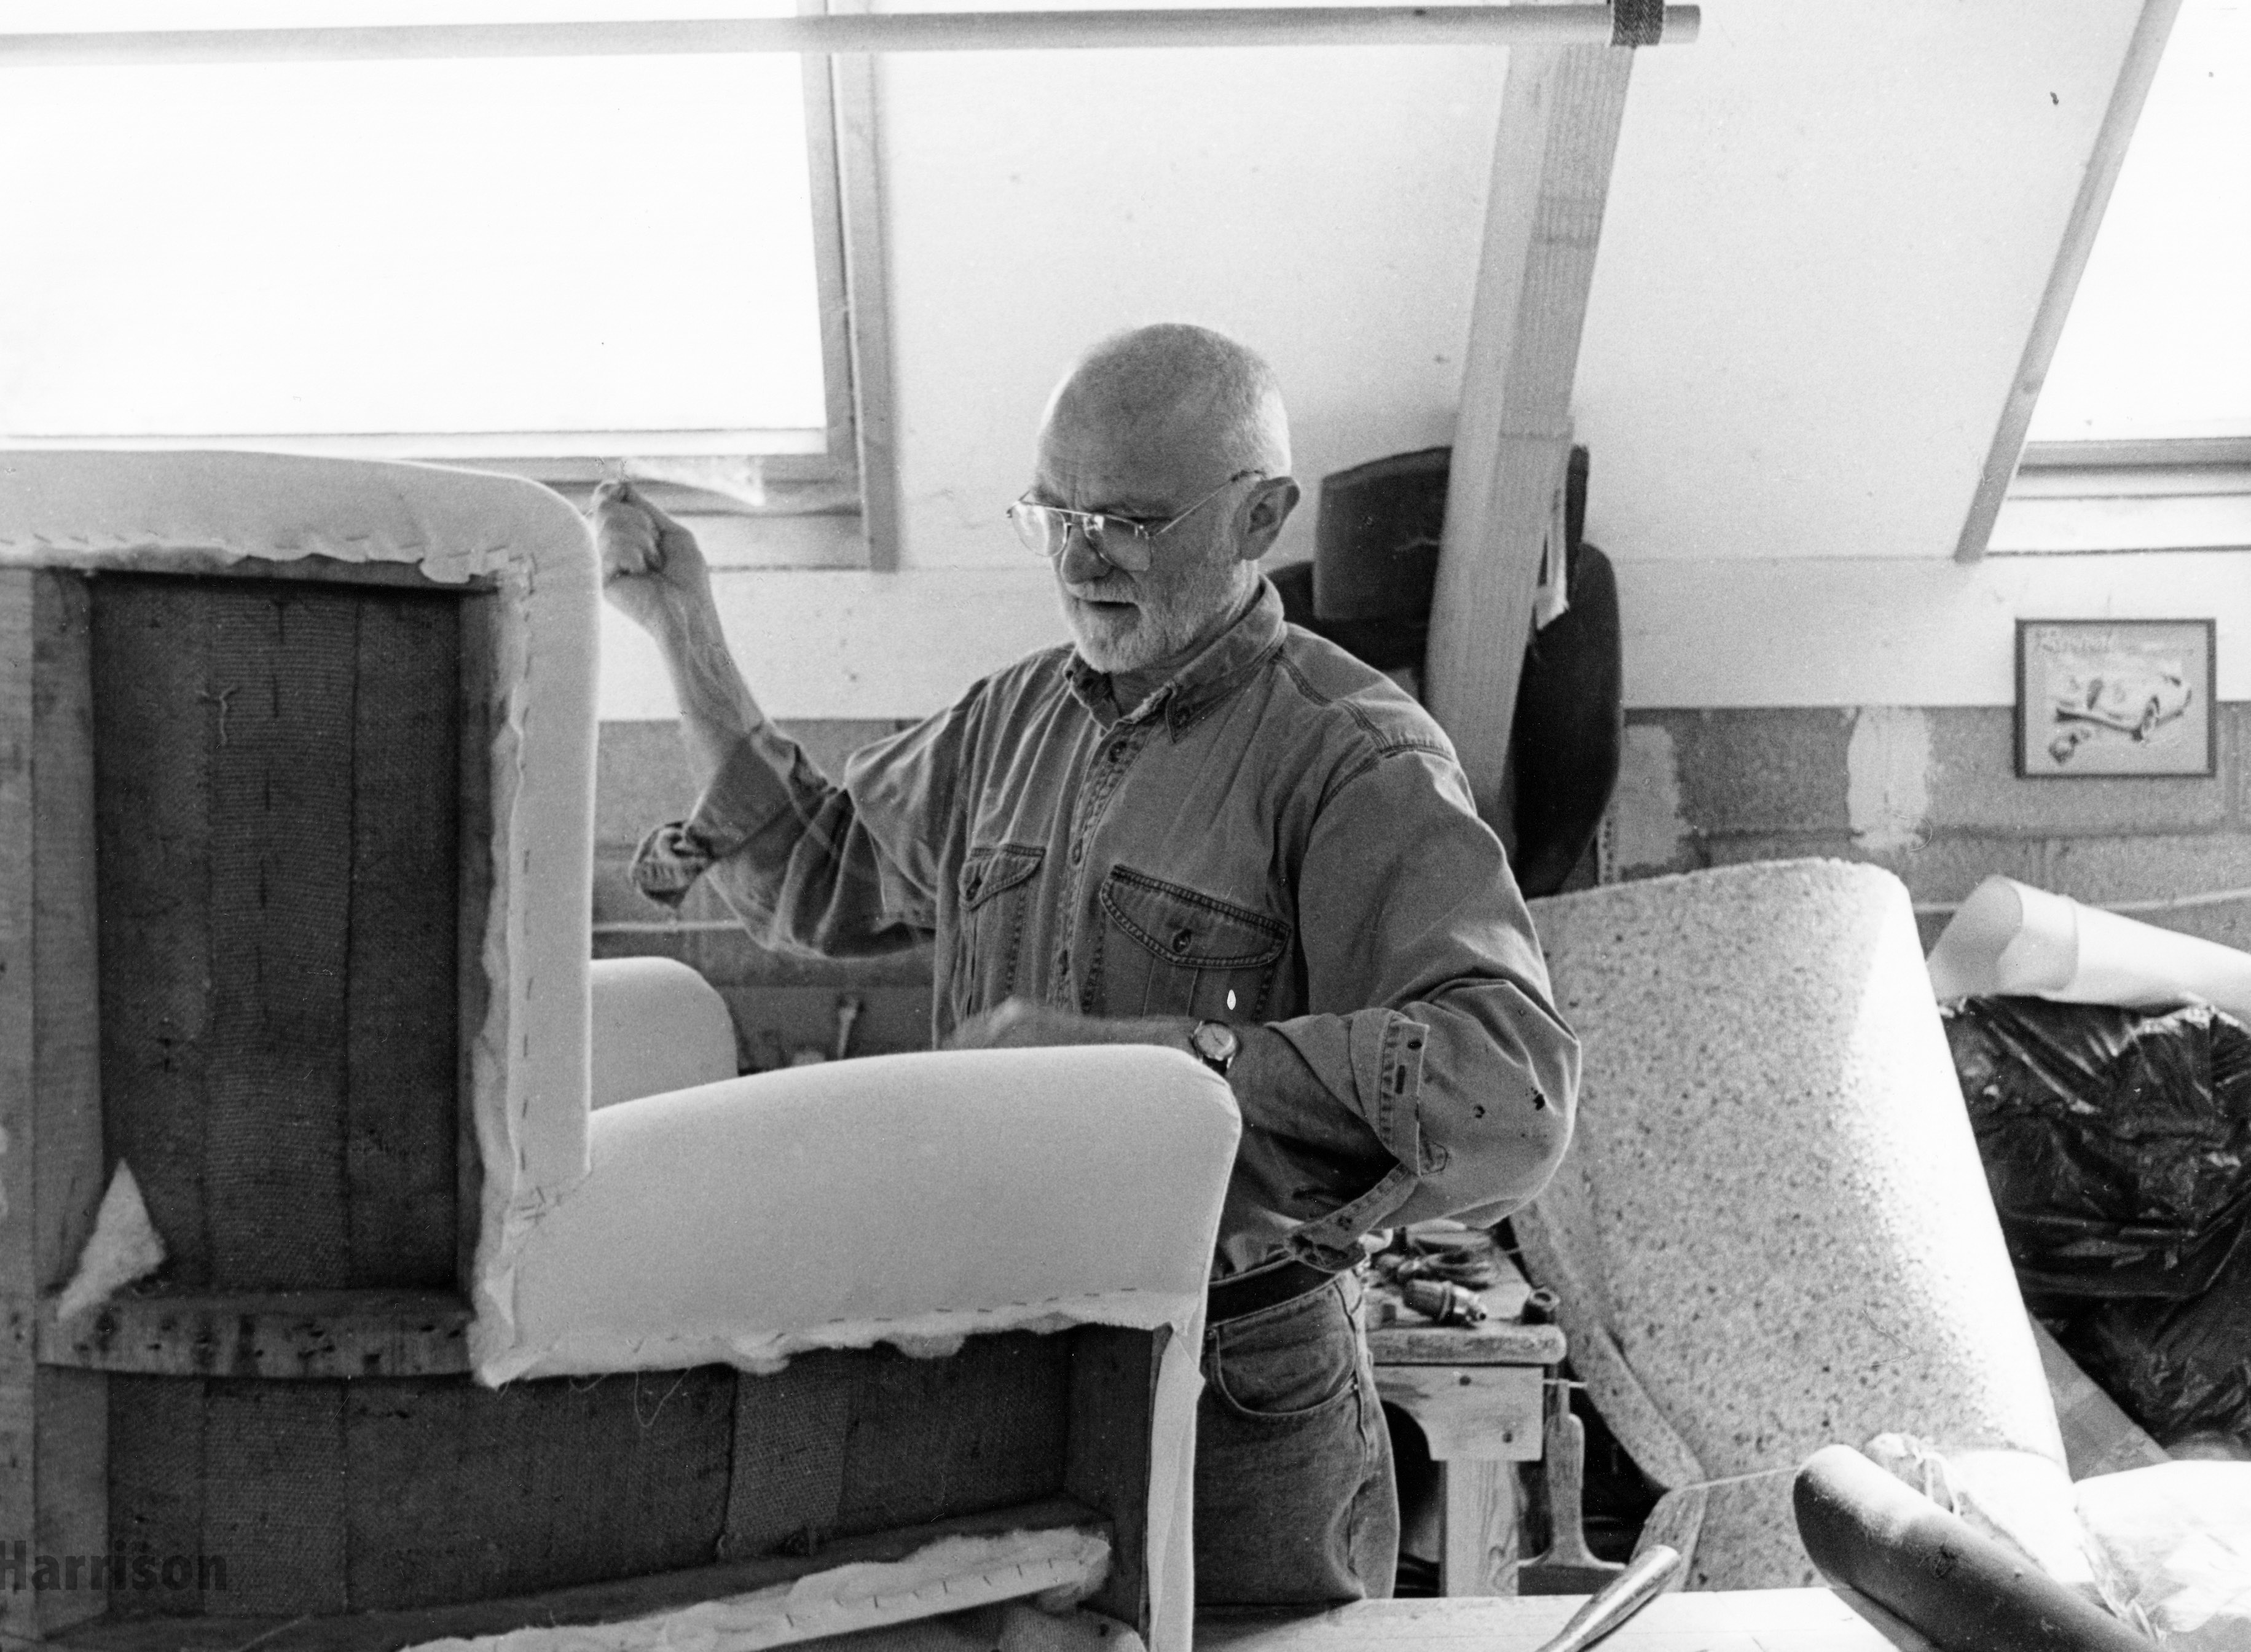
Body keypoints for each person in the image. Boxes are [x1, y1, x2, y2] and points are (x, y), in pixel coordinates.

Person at [600, 322, 1579, 1604]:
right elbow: (812, 870)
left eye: (1124, 519)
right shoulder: (1005, 722)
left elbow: (1511, 1090)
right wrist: (682, 620)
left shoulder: (1354, 758)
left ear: (1259, 517)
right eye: (1052, 510)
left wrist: (1154, 1079)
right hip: (997, 1371)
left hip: (1232, 1386)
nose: (1077, 554)